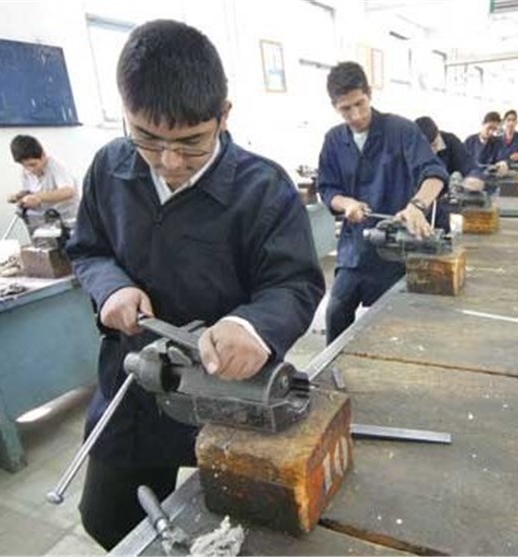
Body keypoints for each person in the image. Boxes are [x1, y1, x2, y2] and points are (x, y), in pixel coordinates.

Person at [65, 20, 325, 550]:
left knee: (250, 529)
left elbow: (295, 282)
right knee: (108, 521)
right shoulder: (109, 168)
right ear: (124, 111)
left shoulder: (264, 189)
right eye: (147, 138)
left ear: (224, 116)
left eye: (191, 142)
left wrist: (252, 326)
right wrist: (111, 287)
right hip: (135, 390)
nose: (170, 163)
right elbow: (88, 249)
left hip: (230, 392)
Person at [318, 62, 447, 344]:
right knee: (335, 311)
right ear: (334, 106)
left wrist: (417, 206)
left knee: (393, 325)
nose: (355, 115)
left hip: (397, 251)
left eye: (360, 104)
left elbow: (435, 174)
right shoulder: (333, 140)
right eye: (346, 109)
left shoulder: (401, 130)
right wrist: (346, 203)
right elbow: (327, 189)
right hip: (354, 250)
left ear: (370, 93)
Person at [7, 135, 80, 231]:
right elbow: (30, 192)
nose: (30, 170)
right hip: (44, 222)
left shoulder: (57, 166)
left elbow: (68, 191)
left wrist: (39, 197)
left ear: (43, 155)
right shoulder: (25, 172)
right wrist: (19, 196)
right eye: (25, 166)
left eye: (33, 165)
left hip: (68, 221)